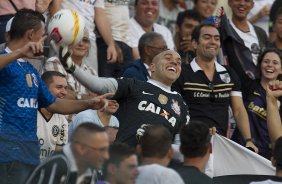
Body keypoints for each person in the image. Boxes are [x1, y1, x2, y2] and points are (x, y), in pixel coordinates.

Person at [0, 9, 113, 184]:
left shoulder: (30, 69)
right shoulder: (5, 59)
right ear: (31, 34)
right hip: (6, 153)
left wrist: (89, 103)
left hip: (29, 155)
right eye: (43, 35)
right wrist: (19, 53)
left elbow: (53, 104)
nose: (45, 39)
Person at [59, 49, 190, 147]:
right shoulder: (134, 85)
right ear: (152, 67)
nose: (174, 62)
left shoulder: (181, 105)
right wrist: (72, 67)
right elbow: (99, 85)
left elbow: (180, 147)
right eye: (168, 58)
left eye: (179, 62)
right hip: (121, 162)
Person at [172, 23, 258, 151]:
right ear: (195, 43)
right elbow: (176, 112)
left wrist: (248, 140)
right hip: (190, 143)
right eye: (207, 37)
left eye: (217, 38)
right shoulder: (181, 73)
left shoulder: (229, 73)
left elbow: (238, 110)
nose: (213, 42)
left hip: (220, 145)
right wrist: (197, 131)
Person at [232, 48, 282, 159]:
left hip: (265, 157)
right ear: (259, 65)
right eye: (266, 61)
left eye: (275, 63)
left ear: (281, 69)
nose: (270, 65)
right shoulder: (247, 86)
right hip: (240, 148)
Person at [28, 123, 110, 184]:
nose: (106, 156)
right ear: (81, 148)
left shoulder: (92, 169)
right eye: (101, 150)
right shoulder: (56, 166)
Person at [219, 0, 268, 99]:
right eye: (238, 0)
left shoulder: (260, 33)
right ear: (229, 2)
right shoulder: (223, 30)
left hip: (261, 95)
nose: (242, 3)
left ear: (252, 5)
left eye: (247, 1)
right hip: (236, 94)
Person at [61, 0, 117, 71]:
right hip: (66, 35)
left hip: (89, 38)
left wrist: (110, 44)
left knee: (91, 78)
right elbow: (55, 5)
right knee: (62, 74)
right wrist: (59, 34)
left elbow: (100, 15)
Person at [37, 71, 68, 161]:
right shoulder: (30, 112)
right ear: (44, 88)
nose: (64, 92)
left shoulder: (62, 118)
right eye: (59, 87)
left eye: (66, 88)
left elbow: (58, 153)